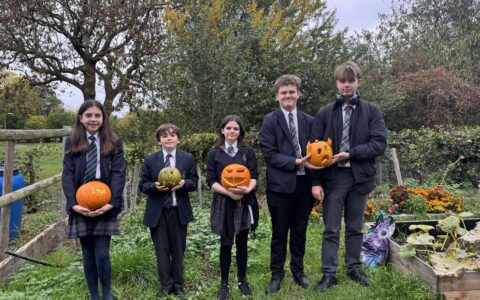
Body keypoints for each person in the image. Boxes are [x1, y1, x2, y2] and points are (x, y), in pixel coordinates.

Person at [310, 61, 387, 293]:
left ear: (358, 82)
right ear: (337, 83)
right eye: (342, 81)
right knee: (331, 228)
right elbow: (313, 150)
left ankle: (353, 268)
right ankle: (329, 274)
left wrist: (351, 153)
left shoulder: (371, 110)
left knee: (355, 227)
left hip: (360, 176)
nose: (346, 85)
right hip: (333, 178)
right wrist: (315, 182)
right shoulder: (324, 113)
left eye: (350, 81)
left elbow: (379, 143)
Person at [62, 100, 126, 300]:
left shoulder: (114, 142)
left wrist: (111, 203)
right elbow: (68, 174)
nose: (93, 119)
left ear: (103, 119)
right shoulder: (72, 142)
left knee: (102, 254)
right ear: (81, 119)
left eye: (97, 115)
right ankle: (94, 295)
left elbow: (119, 174)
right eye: (88, 115)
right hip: (81, 202)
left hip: (104, 200)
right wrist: (74, 204)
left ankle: (107, 293)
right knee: (88, 254)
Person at [258, 75, 314, 294]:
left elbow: (318, 153)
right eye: (284, 92)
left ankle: (298, 272)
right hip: (280, 187)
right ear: (277, 96)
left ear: (298, 93)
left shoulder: (310, 121)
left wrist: (317, 183)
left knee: (300, 231)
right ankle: (277, 274)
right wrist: (295, 162)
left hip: (304, 186)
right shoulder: (270, 121)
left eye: (292, 92)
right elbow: (269, 154)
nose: (288, 96)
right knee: (279, 233)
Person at [139, 124, 199, 299]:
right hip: (158, 213)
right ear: (159, 141)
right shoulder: (151, 160)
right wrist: (155, 187)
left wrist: (184, 184)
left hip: (179, 210)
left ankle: (179, 285)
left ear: (178, 139)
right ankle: (166, 284)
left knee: (179, 250)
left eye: (172, 135)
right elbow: (143, 185)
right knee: (162, 251)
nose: (169, 138)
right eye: (164, 136)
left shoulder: (187, 158)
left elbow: (194, 182)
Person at [206, 115, 259, 300]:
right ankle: (224, 285)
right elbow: (210, 180)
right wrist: (229, 193)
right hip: (224, 202)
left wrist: (246, 190)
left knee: (242, 244)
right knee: (226, 244)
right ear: (222, 130)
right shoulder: (214, 153)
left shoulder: (247, 152)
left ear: (240, 132)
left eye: (235, 128)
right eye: (228, 128)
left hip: (244, 202)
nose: (232, 131)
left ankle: (242, 281)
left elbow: (254, 175)